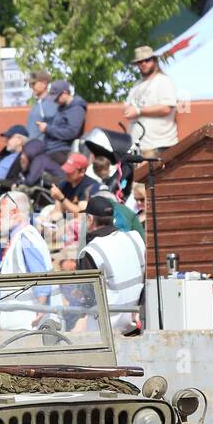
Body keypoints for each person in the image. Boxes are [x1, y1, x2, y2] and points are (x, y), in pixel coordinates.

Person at [77, 194, 144, 334]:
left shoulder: (90, 252)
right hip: (138, 321)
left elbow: (89, 299)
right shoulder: (135, 237)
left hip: (106, 330)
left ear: (90, 219)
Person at [0, 191, 53, 329]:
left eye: (0, 211)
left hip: (28, 323)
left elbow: (39, 275)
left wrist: (41, 309)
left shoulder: (26, 237)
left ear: (14, 212)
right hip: (20, 324)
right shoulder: (19, 237)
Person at [27, 80, 87, 180]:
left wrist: (48, 129)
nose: (55, 101)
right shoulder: (62, 108)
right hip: (51, 148)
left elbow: (72, 133)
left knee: (40, 163)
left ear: (65, 93)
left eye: (57, 97)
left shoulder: (76, 109)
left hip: (61, 150)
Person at [124, 46, 179, 156]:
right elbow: (128, 107)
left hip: (159, 146)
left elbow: (166, 108)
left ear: (154, 60)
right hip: (138, 147)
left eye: (147, 60)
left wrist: (139, 111)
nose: (144, 63)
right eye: (140, 61)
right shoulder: (137, 84)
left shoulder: (163, 80)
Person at [26, 70, 58, 140]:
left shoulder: (51, 103)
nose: (31, 87)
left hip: (42, 147)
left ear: (44, 83)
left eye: (33, 83)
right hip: (31, 147)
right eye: (30, 84)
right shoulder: (38, 104)